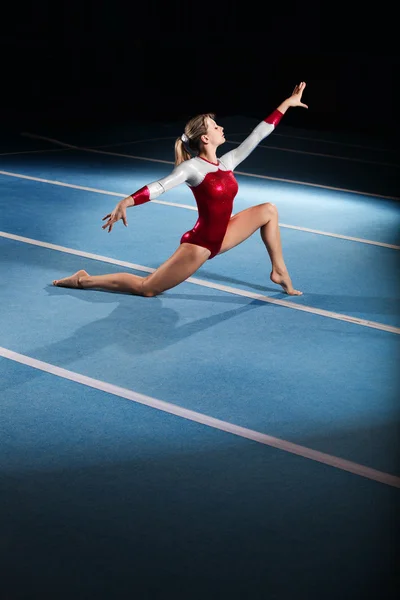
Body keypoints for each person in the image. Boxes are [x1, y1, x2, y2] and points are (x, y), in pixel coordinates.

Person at [53, 82, 308, 297]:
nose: (221, 128)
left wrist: (285, 104)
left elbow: (258, 135)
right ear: (205, 138)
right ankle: (83, 279)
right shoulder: (192, 169)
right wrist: (127, 201)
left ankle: (279, 271)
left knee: (269, 211)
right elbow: (159, 187)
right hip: (201, 243)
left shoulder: (226, 162)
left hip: (224, 235)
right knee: (147, 288)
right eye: (215, 126)